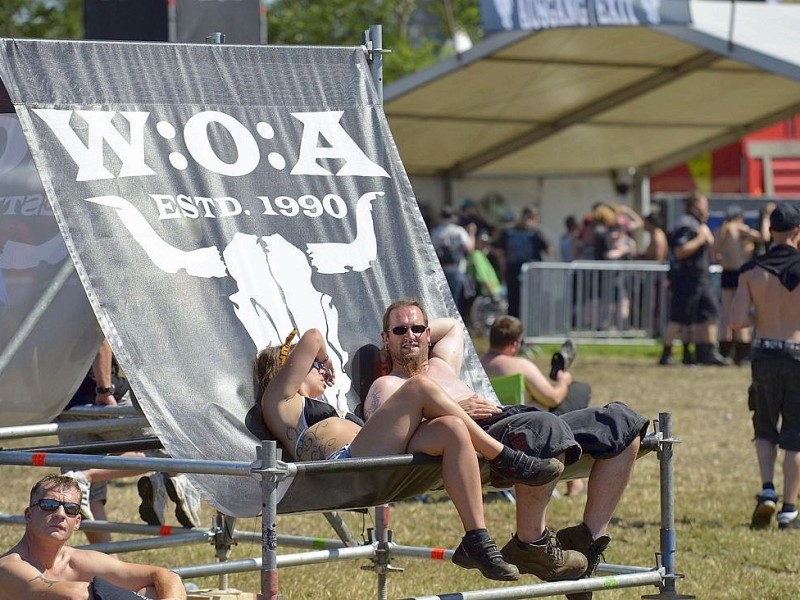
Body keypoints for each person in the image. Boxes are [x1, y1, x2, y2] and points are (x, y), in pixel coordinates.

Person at [367, 299, 649, 598]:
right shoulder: (388, 385)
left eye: (418, 328)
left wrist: (415, 332)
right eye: (399, 330)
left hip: (513, 417)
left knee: (622, 423)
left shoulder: (441, 363)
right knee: (543, 427)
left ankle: (586, 542)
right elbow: (397, 439)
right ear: (385, 339)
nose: (410, 335)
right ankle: (530, 543)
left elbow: (451, 326)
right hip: (488, 436)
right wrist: (451, 409)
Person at [255, 328, 564, 581]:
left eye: (322, 364)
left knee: (452, 428)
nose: (323, 369)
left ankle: (476, 540)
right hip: (346, 467)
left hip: (373, 457)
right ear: (287, 370)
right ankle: (504, 458)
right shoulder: (280, 403)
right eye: (315, 366)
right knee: (418, 387)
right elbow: (311, 337)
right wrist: (321, 355)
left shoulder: (317, 406)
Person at [57, 340, 202, 537]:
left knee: (89, 496)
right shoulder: (80, 308)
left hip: (64, 403)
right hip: (103, 396)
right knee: (168, 448)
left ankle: (108, 564)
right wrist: (104, 389)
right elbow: (98, 336)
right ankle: (86, 476)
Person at [0, 474, 186, 599]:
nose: (60, 513)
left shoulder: (77, 560)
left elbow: (165, 576)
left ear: (78, 521)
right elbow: (75, 595)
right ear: (28, 515)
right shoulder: (9, 567)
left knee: (151, 591)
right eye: (49, 505)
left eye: (70, 509)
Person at [730, 202, 800, 530]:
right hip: (797, 354)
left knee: (765, 427)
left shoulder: (751, 271)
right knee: (795, 435)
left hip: (765, 354)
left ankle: (767, 489)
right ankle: (789, 508)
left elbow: (735, 322)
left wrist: (761, 313)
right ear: (798, 233)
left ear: (770, 231)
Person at [481, 315, 591, 496]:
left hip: (494, 431)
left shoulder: (477, 367)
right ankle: (574, 481)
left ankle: (575, 481)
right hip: (530, 428)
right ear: (515, 344)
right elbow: (553, 398)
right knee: (580, 390)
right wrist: (563, 380)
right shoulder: (520, 366)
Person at [658, 192, 730, 366]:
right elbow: (680, 251)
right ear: (694, 205)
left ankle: (707, 352)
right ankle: (667, 354)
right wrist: (700, 238)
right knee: (679, 318)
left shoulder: (698, 224)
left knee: (710, 313)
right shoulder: (687, 224)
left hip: (701, 279)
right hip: (687, 279)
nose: (706, 208)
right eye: (703, 204)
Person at [714, 205, 763, 364]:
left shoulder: (720, 230)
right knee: (742, 310)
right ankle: (742, 353)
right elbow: (761, 236)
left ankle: (725, 351)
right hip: (739, 271)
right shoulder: (737, 227)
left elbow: (715, 252)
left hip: (726, 272)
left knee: (726, 313)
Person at [494, 206, 552, 318]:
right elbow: (549, 250)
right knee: (532, 302)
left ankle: (513, 329)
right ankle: (530, 331)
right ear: (534, 217)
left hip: (512, 272)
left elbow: (500, 253)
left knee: (513, 303)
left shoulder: (508, 231)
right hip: (532, 274)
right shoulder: (536, 231)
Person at [430, 206, 476, 316]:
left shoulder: (436, 232)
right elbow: (469, 248)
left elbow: (431, 252)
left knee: (442, 302)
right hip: (457, 270)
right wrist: (472, 233)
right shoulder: (458, 231)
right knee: (456, 302)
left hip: (441, 271)